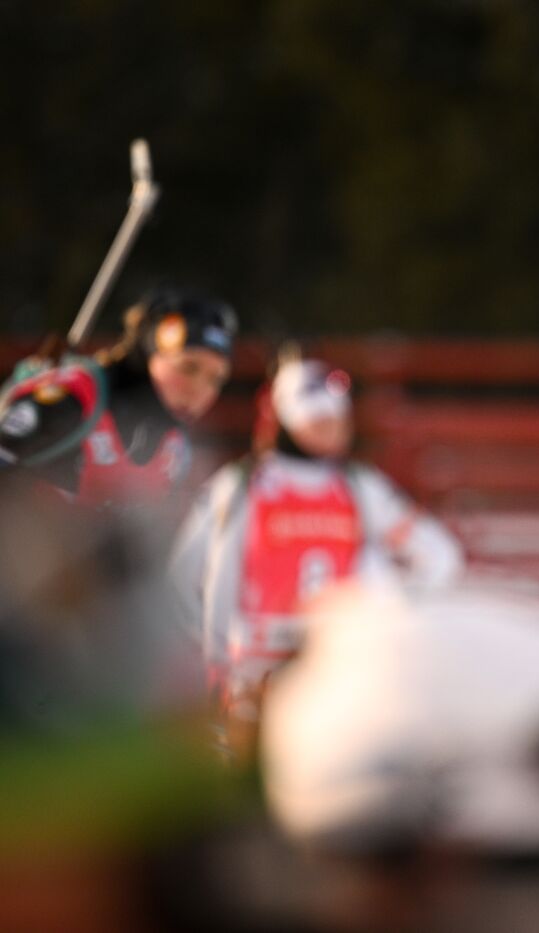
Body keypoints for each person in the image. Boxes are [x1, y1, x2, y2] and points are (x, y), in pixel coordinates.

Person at [169, 357, 464, 759]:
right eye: (319, 418)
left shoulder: (361, 487)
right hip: (255, 675)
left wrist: (385, 609)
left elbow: (440, 557)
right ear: (286, 419)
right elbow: (183, 576)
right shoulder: (242, 485)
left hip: (333, 668)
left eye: (339, 418)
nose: (334, 427)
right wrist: (214, 658)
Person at [0, 287, 237, 507]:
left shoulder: (175, 452)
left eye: (216, 379)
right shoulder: (72, 401)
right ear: (148, 352)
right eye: (188, 368)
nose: (199, 391)